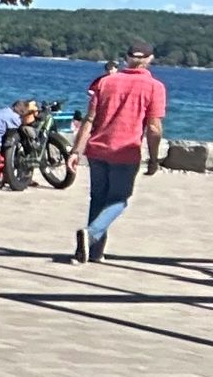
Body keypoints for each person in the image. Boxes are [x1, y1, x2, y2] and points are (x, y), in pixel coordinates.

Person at [70, 45, 168, 261]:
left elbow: (89, 119)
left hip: (97, 149)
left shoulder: (106, 82)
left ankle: (92, 252)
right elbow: (153, 127)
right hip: (126, 151)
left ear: (126, 59)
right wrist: (153, 158)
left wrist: (76, 151)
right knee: (119, 200)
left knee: (98, 199)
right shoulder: (154, 87)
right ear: (149, 59)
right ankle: (92, 234)